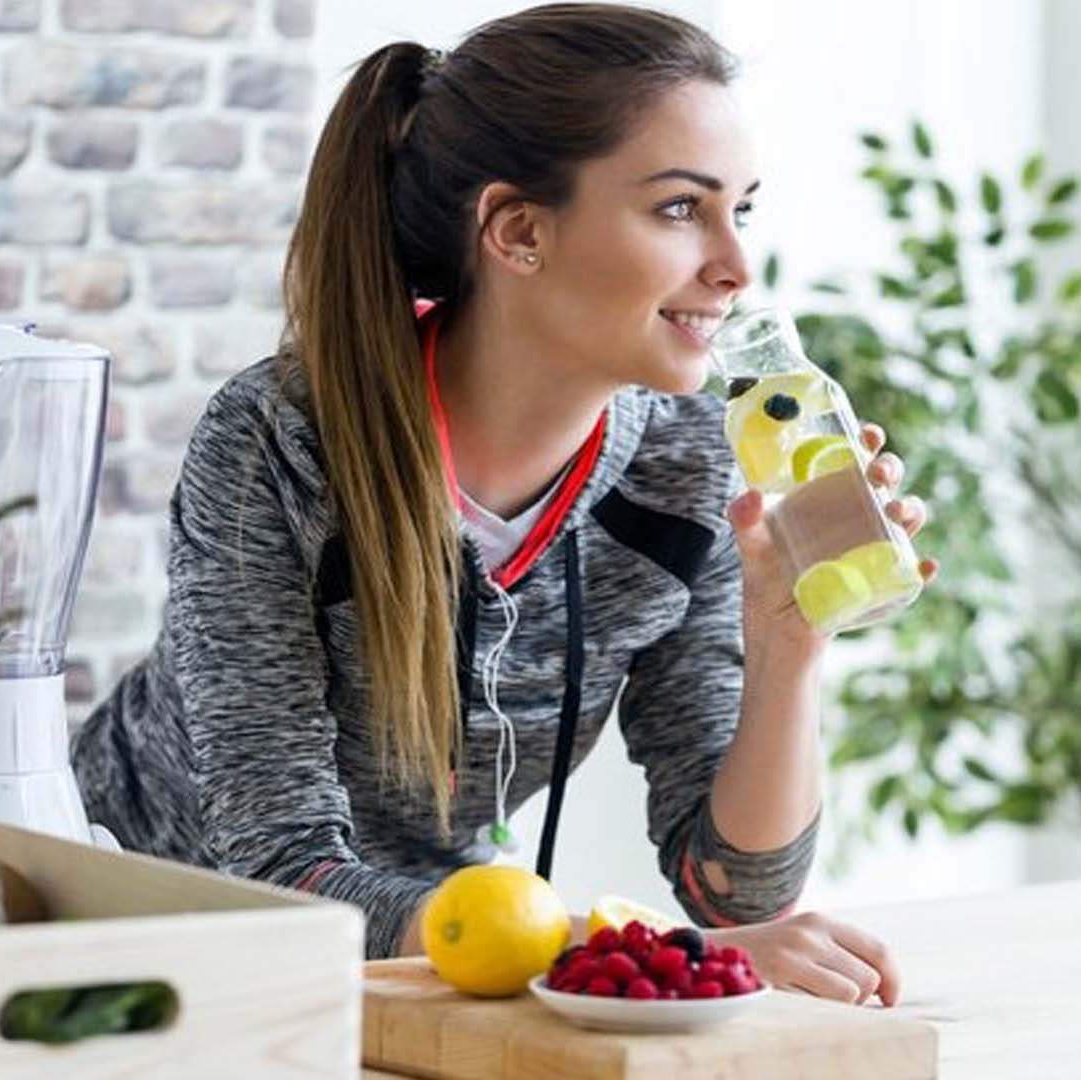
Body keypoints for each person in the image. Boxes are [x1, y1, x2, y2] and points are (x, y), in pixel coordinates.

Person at [71, 2, 934, 1006]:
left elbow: (733, 892)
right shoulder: (285, 440)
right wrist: (638, 952)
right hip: (130, 955)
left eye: (741, 209)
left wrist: (788, 647)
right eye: (677, 209)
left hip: (432, 973)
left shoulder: (684, 456)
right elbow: (277, 872)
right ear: (518, 230)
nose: (737, 268)